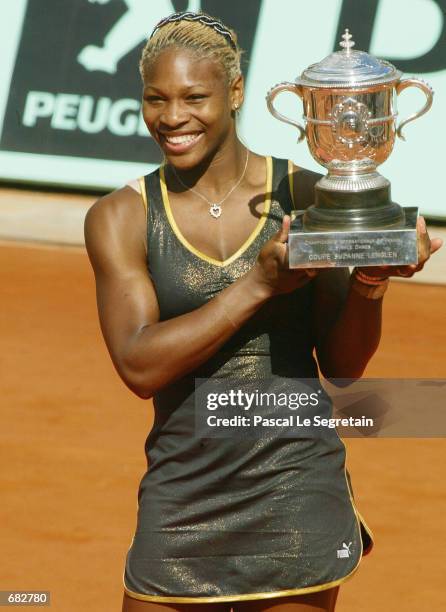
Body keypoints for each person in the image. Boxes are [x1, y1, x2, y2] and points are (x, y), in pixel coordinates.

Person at [83, 11, 443, 612]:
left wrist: (372, 281)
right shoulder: (121, 217)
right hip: (182, 499)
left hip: (295, 491)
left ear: (237, 94)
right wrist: (259, 285)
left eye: (195, 97)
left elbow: (343, 364)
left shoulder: (305, 195)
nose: (172, 118)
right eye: (155, 99)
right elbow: (139, 366)